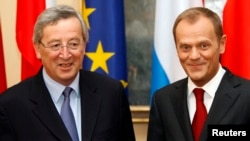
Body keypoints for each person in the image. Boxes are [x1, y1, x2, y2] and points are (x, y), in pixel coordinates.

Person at [0, 5, 135, 141]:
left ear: (84, 46)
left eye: (74, 44)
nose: (65, 55)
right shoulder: (11, 105)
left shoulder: (111, 93)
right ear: (37, 49)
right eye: (55, 45)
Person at [147, 7, 250, 141]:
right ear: (177, 49)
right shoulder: (163, 100)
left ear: (222, 44)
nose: (194, 56)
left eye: (203, 46)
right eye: (185, 47)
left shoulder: (247, 96)